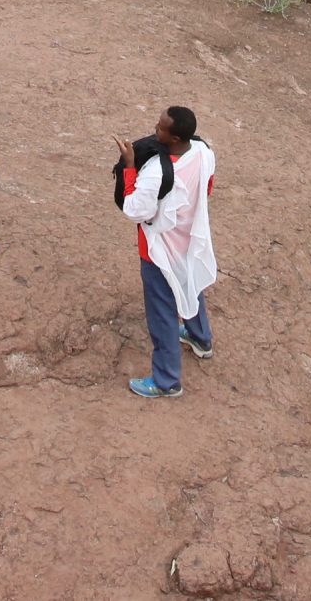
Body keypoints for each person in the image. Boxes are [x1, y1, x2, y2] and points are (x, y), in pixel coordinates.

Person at [119, 105, 217, 400]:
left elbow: (135, 209)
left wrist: (128, 166)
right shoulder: (203, 152)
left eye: (161, 127)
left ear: (173, 138)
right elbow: (208, 187)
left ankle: (166, 380)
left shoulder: (156, 171)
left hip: (158, 248)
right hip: (190, 236)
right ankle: (200, 338)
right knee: (189, 283)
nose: (155, 128)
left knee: (162, 311)